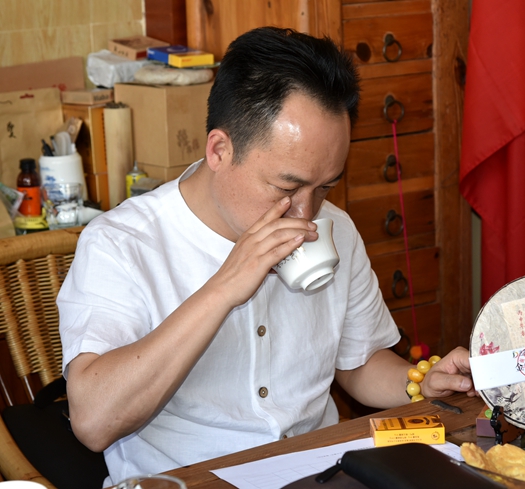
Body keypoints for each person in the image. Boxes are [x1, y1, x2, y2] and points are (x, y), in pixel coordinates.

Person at [58, 27, 476, 486]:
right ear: (219, 150)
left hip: (318, 473)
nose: (305, 213)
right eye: (286, 187)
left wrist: (420, 382)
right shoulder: (122, 244)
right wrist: (223, 289)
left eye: (325, 187)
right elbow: (94, 423)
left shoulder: (335, 228)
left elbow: (358, 362)